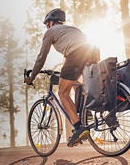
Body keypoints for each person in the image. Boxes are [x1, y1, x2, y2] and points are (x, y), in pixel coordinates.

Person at [24, 8, 99, 147]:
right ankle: (85, 114)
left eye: (47, 24)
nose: (47, 27)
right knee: (78, 84)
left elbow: (41, 58)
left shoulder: (50, 32)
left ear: (51, 23)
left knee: (63, 93)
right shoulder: (72, 29)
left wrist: (32, 77)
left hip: (76, 54)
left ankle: (78, 128)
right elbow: (72, 55)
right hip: (93, 51)